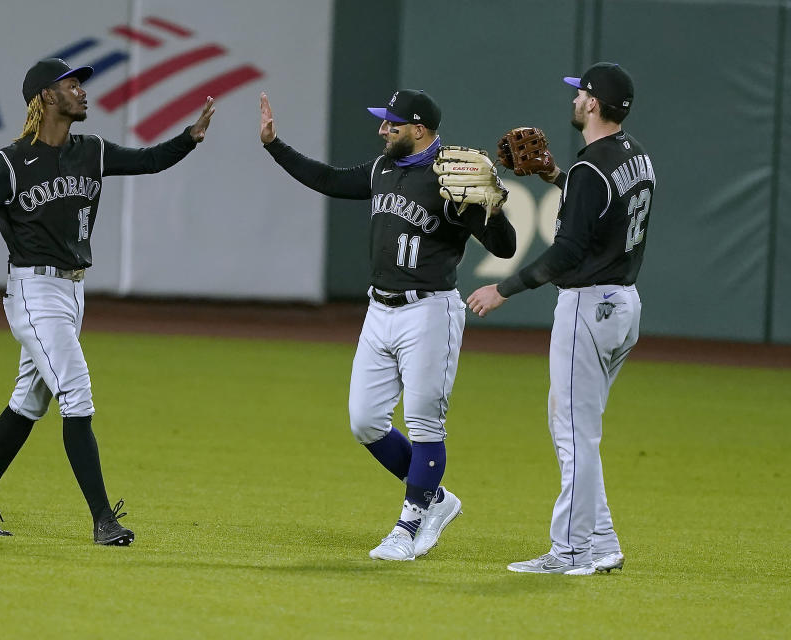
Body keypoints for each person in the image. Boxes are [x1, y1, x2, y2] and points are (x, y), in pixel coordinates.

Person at [0, 58, 215, 545]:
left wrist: (189, 138)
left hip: (72, 292)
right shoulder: (10, 162)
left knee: (28, 402)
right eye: (72, 85)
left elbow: (149, 160)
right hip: (33, 292)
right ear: (46, 97)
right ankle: (104, 520)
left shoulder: (92, 152)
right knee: (76, 392)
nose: (82, 92)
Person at [259, 90, 516, 560]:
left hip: (429, 311)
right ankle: (437, 500)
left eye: (391, 124)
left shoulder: (452, 176)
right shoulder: (383, 169)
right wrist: (276, 147)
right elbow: (330, 180)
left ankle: (409, 524)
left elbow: (504, 247)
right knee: (365, 421)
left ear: (419, 130)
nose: (382, 130)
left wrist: (493, 209)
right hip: (379, 311)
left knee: (423, 422)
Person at [467, 62, 654, 574]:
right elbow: (598, 206)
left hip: (589, 306)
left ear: (594, 104)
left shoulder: (594, 167)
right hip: (624, 306)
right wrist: (553, 176)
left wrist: (504, 289)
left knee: (573, 433)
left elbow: (568, 250)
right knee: (578, 428)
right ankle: (602, 540)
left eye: (580, 94)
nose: (574, 100)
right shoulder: (634, 156)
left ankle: (570, 551)